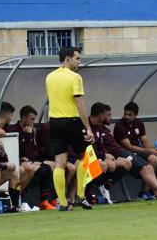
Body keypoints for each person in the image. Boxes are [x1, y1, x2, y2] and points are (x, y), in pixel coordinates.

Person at [44, 46, 94, 210]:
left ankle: (63, 203)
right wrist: (88, 128)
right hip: (72, 121)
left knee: (60, 163)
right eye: (77, 58)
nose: (79, 62)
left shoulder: (50, 77)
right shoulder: (75, 77)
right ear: (67, 59)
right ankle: (80, 194)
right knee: (86, 156)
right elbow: (80, 104)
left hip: (55, 122)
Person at [113, 102, 157, 200]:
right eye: (125, 114)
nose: (127, 116)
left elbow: (145, 140)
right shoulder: (119, 126)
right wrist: (150, 151)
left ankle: (154, 190)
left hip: (140, 150)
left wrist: (154, 150)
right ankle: (144, 192)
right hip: (128, 152)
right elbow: (129, 147)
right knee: (153, 159)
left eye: (130, 115)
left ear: (136, 115)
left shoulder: (139, 123)